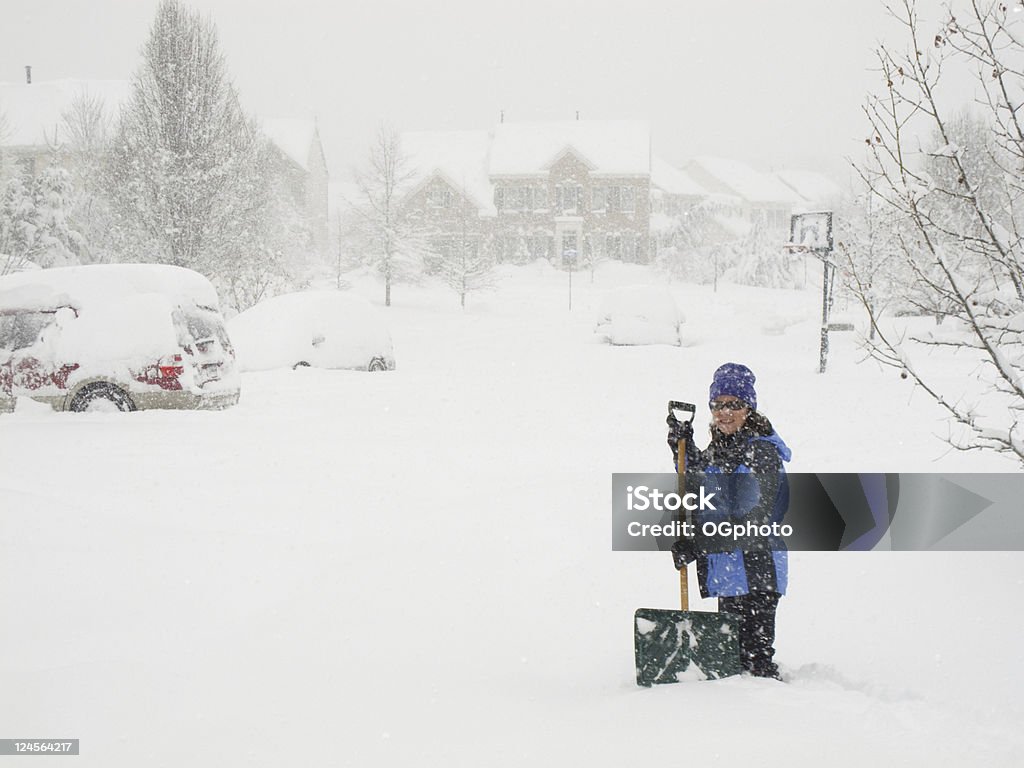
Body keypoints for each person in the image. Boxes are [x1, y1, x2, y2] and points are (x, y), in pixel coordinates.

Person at [666, 362, 792, 680]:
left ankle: (781, 720)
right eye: (718, 405)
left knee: (755, 663)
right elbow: (700, 484)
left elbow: (754, 518)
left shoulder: (762, 454)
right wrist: (681, 447)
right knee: (731, 663)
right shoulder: (720, 450)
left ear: (748, 409)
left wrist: (699, 543)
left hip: (757, 568)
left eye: (733, 405)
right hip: (730, 572)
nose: (724, 413)